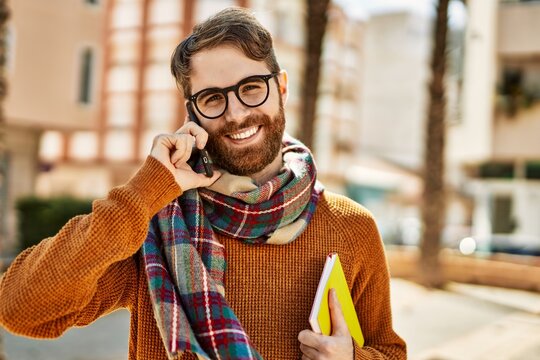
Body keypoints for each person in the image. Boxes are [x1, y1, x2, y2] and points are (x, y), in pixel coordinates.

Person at [0, 7, 406, 360]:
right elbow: (19, 306)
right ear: (191, 112)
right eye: (213, 98)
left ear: (280, 88)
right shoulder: (155, 228)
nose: (236, 114)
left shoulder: (352, 228)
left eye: (251, 88)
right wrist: (144, 193)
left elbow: (390, 352)